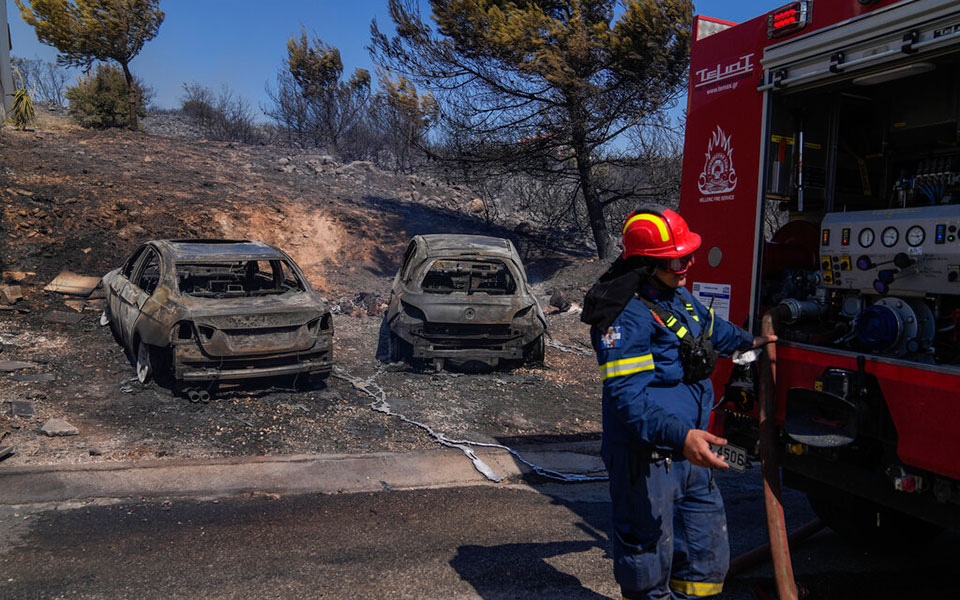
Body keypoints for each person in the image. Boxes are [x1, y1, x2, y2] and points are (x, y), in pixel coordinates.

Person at [581, 207, 775, 600]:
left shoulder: (676, 295)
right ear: (646, 265)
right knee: (647, 567)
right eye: (677, 259)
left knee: (705, 558)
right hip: (646, 459)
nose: (687, 265)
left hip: (689, 454)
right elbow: (628, 401)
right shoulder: (624, 317)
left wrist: (749, 342)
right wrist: (680, 435)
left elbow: (710, 328)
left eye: (689, 255)